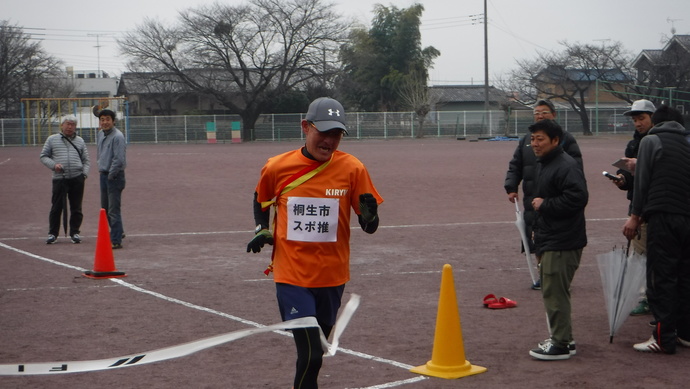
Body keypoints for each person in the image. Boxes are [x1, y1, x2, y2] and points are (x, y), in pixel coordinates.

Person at [246, 97, 383, 388]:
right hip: (291, 275)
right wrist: (261, 228)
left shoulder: (353, 169)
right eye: (324, 132)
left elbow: (369, 226)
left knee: (316, 354)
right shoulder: (277, 166)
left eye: (337, 134)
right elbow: (260, 199)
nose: (330, 141)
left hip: (332, 277)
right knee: (309, 353)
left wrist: (370, 216)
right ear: (305, 127)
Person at [623, 105, 690, 354]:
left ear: (656, 122)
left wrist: (634, 217)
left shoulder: (651, 141)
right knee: (684, 277)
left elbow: (642, 183)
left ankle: (662, 338)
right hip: (687, 218)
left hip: (663, 216)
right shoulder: (687, 143)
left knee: (662, 278)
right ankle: (685, 333)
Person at [504, 99, 583, 290]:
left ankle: (558, 275)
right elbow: (516, 165)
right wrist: (511, 186)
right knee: (536, 237)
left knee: (556, 237)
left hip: (555, 196)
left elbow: (575, 168)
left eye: (544, 112)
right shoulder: (526, 141)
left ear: (554, 115)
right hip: (532, 197)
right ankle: (544, 274)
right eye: (537, 112)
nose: (540, 115)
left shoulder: (565, 139)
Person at [527, 119, 588, 361]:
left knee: (554, 292)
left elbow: (578, 198)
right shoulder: (547, 163)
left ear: (555, 141)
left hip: (563, 240)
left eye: (540, 139)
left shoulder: (565, 165)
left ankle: (561, 343)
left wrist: (545, 204)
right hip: (552, 236)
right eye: (532, 139)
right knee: (554, 291)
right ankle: (564, 338)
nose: (534, 144)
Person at [608, 99, 655, 316]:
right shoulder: (633, 144)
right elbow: (629, 176)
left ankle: (649, 296)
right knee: (639, 253)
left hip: (654, 205)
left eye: (642, 118)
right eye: (635, 120)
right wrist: (622, 180)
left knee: (649, 253)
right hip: (637, 204)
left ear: (653, 117)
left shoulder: (657, 142)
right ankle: (647, 295)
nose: (638, 123)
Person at [40, 114, 90, 244]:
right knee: (56, 207)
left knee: (76, 207)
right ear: (62, 125)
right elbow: (44, 156)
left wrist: (84, 174)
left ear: (75, 127)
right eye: (67, 124)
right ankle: (53, 233)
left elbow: (86, 160)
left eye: (72, 124)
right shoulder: (52, 139)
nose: (70, 127)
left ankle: (75, 233)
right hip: (59, 179)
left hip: (77, 179)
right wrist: (54, 165)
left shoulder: (80, 141)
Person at [96, 109, 127, 249]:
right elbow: (100, 154)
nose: (105, 122)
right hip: (103, 174)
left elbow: (119, 159)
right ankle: (118, 231)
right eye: (102, 119)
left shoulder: (118, 136)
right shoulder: (100, 134)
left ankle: (115, 239)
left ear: (113, 121)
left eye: (108, 119)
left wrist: (110, 174)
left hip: (114, 176)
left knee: (113, 209)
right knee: (105, 208)